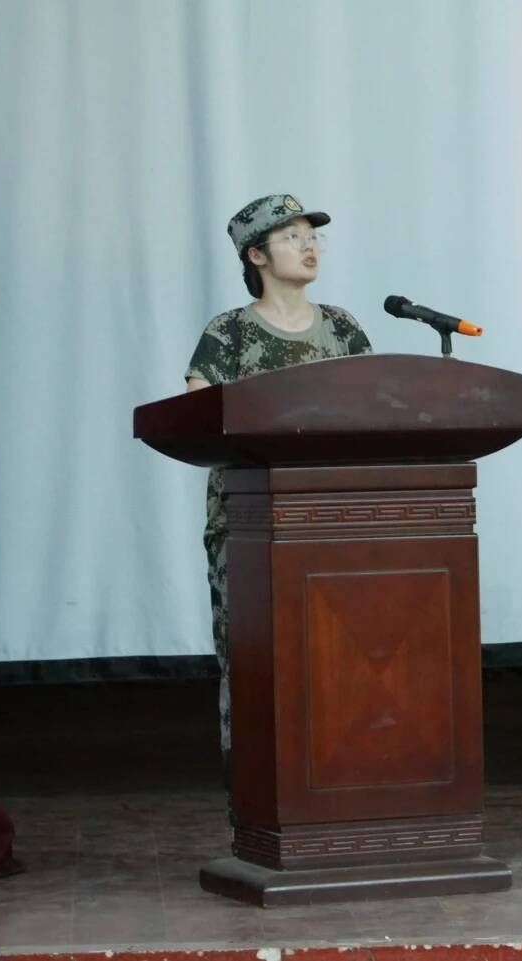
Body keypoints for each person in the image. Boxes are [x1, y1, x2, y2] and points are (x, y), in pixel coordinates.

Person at [184, 194, 373, 766]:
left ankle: (336, 773)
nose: (309, 246)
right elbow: (200, 417)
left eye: (313, 236)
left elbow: (375, 406)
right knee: (255, 655)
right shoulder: (230, 333)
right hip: (250, 523)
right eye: (292, 237)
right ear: (256, 255)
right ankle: (252, 782)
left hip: (333, 519)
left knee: (342, 652)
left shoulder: (342, 328)